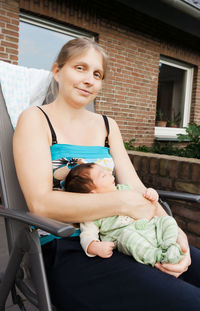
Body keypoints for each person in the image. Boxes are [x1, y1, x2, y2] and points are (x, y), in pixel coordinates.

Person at [13, 37, 200, 311]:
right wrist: (122, 202)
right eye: (80, 68)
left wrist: (177, 235)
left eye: (97, 74)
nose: (89, 79)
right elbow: (40, 203)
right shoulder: (35, 119)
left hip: (133, 234)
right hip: (70, 247)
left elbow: (136, 188)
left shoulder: (107, 125)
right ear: (57, 71)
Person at [64, 162, 185, 266]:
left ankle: (170, 246)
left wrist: (151, 194)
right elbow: (87, 234)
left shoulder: (124, 189)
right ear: (92, 193)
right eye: (103, 175)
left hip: (149, 228)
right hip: (128, 238)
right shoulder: (92, 213)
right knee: (129, 238)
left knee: (167, 221)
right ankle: (159, 257)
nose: (109, 173)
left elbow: (145, 202)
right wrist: (94, 246)